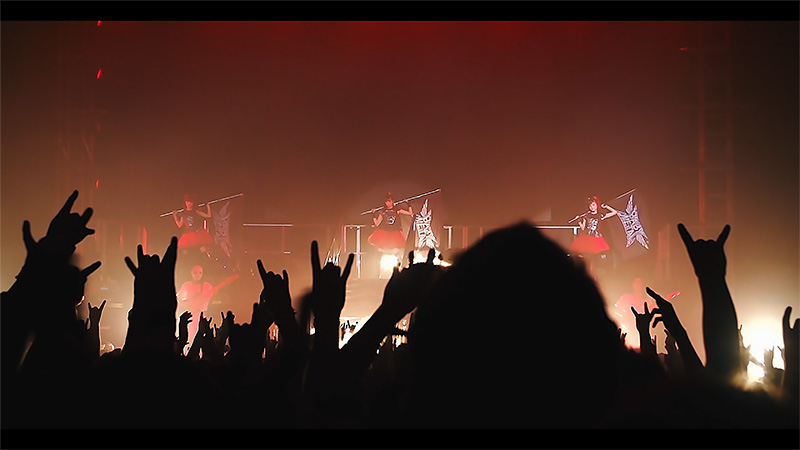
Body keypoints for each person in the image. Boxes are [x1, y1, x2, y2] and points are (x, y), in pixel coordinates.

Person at [569, 195, 618, 277]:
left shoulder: (600, 215)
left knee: (595, 259)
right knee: (587, 258)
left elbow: (614, 212)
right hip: (587, 237)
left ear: (597, 205)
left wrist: (606, 206)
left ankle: (594, 275)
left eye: (593, 205)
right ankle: (587, 274)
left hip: (596, 238)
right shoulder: (586, 215)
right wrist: (579, 221)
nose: (592, 207)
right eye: (590, 205)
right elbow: (583, 228)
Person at [367, 192, 413, 269]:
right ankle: (379, 269)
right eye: (386, 201)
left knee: (397, 251)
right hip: (384, 233)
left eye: (389, 201)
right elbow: (377, 223)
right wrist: (373, 215)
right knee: (382, 251)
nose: (387, 203)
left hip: (395, 232)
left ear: (393, 201)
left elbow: (410, 213)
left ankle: (398, 267)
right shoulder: (383, 211)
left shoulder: (397, 209)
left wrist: (409, 204)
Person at [177, 264, 214, 343]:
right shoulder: (187, 285)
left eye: (200, 273)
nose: (197, 275)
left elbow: (209, 299)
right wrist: (186, 303)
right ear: (191, 273)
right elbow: (178, 298)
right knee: (189, 338)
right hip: (190, 315)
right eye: (195, 272)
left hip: (201, 315)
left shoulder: (206, 286)